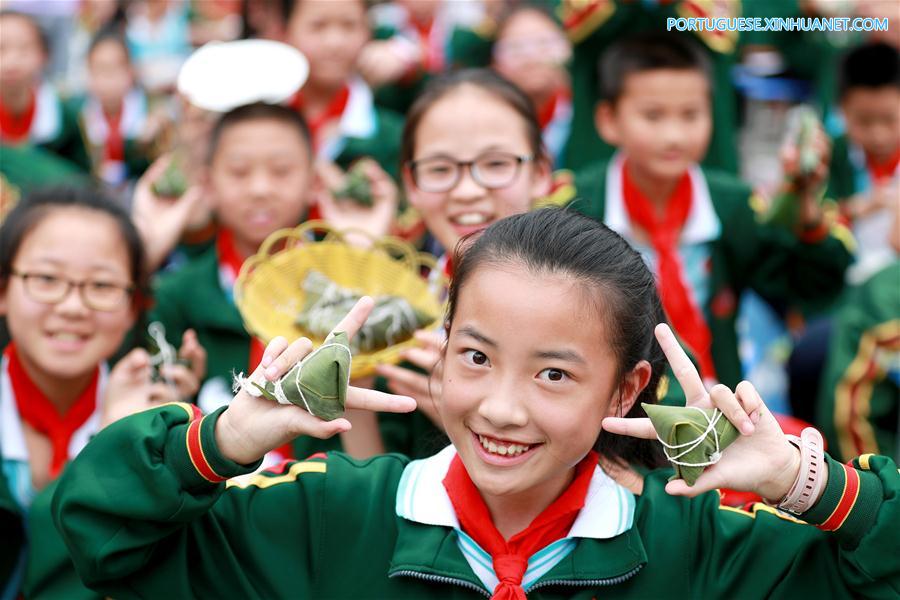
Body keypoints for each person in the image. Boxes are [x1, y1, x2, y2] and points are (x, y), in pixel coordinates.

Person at [51, 208, 900, 598]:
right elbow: (102, 539)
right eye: (477, 357)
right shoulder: (327, 514)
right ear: (441, 344)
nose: (500, 408)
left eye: (555, 375)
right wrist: (222, 439)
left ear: (629, 388)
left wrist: (806, 486)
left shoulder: (702, 552)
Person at [572, 32, 853, 401]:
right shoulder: (577, 207)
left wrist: (803, 204)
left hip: (719, 404)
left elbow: (812, 283)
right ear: (608, 120)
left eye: (691, 114)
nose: (674, 135)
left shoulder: (733, 204)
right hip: (609, 406)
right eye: (653, 116)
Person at [144, 102, 397, 459]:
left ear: (315, 182)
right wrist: (147, 252)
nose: (260, 188)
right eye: (239, 171)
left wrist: (362, 253)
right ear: (207, 183)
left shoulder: (349, 290)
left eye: (281, 171)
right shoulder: (175, 296)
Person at [0, 186, 204, 598]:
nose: (73, 306)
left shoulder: (159, 436)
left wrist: (121, 449)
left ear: (133, 306)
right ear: (3, 290)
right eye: (46, 278)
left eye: (102, 285)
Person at [374, 69, 552, 454]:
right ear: (411, 184)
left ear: (540, 173)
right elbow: (367, 483)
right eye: (440, 169)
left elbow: (648, 472)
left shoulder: (601, 290)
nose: (468, 190)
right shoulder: (395, 312)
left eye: (496, 164)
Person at [283, 0, 404, 179]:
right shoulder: (259, 116)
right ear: (287, 31)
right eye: (318, 26)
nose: (334, 43)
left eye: (349, 25)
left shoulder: (391, 136)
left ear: (368, 32)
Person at [827, 42, 899, 285]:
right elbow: (811, 222)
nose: (878, 135)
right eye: (864, 122)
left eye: (889, 120)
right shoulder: (829, 156)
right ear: (842, 111)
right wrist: (854, 210)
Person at [0, 11, 89, 171]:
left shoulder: (65, 117)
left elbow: (80, 178)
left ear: (44, 55)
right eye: (1, 49)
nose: (11, 61)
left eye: (24, 48)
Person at [491, 3, 572, 168]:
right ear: (496, 64)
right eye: (516, 48)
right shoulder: (489, 123)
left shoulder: (586, 111)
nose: (531, 59)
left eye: (544, 43)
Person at [77, 30, 152, 190]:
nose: (108, 79)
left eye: (114, 69)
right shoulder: (79, 115)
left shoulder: (150, 110)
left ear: (131, 70)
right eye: (100, 70)